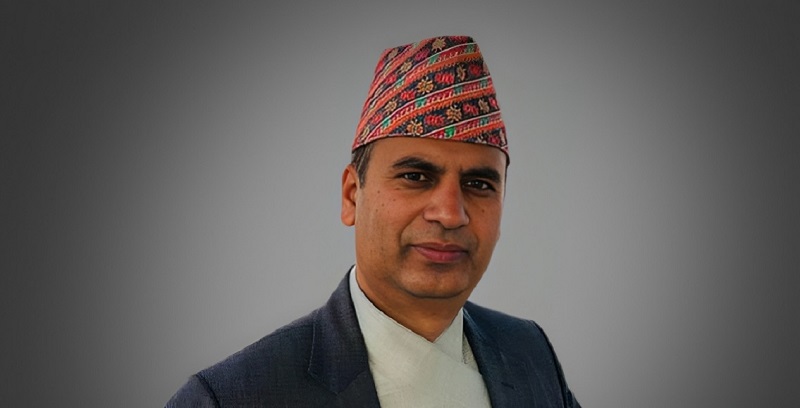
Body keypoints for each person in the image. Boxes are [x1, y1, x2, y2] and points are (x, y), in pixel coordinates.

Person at [166, 35, 580, 407]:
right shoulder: (234, 397)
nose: (450, 213)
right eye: (415, 177)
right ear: (352, 195)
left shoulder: (529, 354)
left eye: (478, 184)